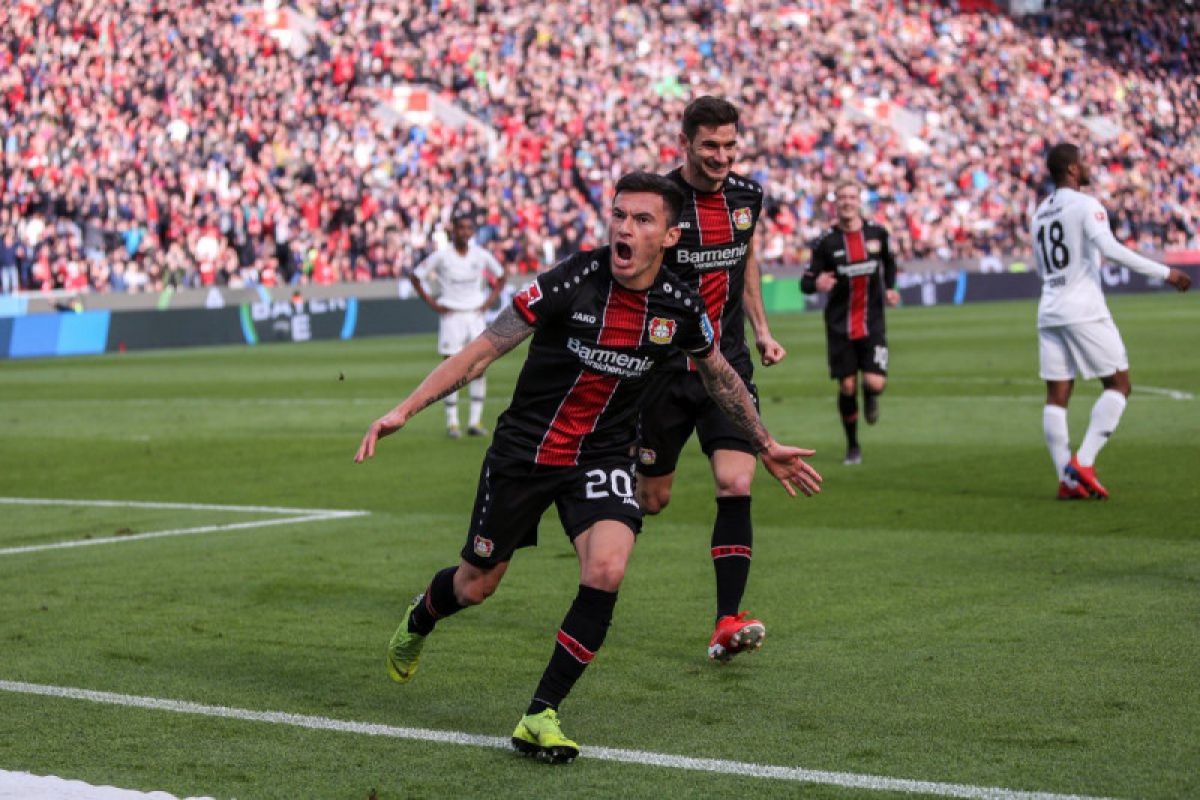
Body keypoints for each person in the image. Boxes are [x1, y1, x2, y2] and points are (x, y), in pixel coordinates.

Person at [355, 172, 822, 764]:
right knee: (477, 584)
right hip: (526, 453)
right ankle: (422, 616)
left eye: (642, 220)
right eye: (619, 215)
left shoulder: (678, 305)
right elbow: (481, 351)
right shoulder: (572, 281)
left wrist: (763, 441)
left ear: (671, 236)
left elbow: (720, 375)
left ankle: (540, 714)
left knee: (607, 566)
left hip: (603, 456)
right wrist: (404, 410)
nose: (624, 229)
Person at [634, 96, 789, 664]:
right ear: (687, 143)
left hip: (727, 367)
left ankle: (727, 620)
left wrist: (763, 330)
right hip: (664, 373)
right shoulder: (663, 203)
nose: (722, 156)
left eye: (729, 145)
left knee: (736, 483)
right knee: (653, 500)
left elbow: (745, 263)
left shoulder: (748, 197)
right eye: (710, 147)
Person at [1031, 143, 1191, 500]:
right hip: (1083, 308)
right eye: (1083, 161)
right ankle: (1083, 463)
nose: (1088, 166)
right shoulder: (1087, 205)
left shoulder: (1040, 212)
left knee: (1057, 396)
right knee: (1119, 384)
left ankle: (1066, 479)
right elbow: (1112, 249)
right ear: (1072, 169)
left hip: (1049, 307)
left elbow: (1041, 267)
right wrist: (1166, 272)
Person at [800, 181, 899, 466]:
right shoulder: (825, 242)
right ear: (836, 203)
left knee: (875, 382)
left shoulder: (877, 233)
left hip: (872, 323)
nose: (847, 202)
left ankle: (870, 396)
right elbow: (805, 282)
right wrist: (816, 283)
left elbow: (889, 264)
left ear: (859, 201)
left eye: (851, 196)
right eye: (842, 197)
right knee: (846, 387)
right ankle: (853, 445)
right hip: (839, 325)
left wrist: (890, 287)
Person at [409, 213, 506, 438]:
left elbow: (501, 276)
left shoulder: (481, 255)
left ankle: (475, 421)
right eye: (460, 228)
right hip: (451, 316)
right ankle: (452, 422)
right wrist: (433, 303)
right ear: (452, 230)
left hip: (475, 315)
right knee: (449, 366)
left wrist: (489, 302)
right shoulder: (441, 256)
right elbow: (415, 276)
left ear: (472, 231)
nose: (464, 232)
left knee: (479, 366)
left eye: (468, 228)